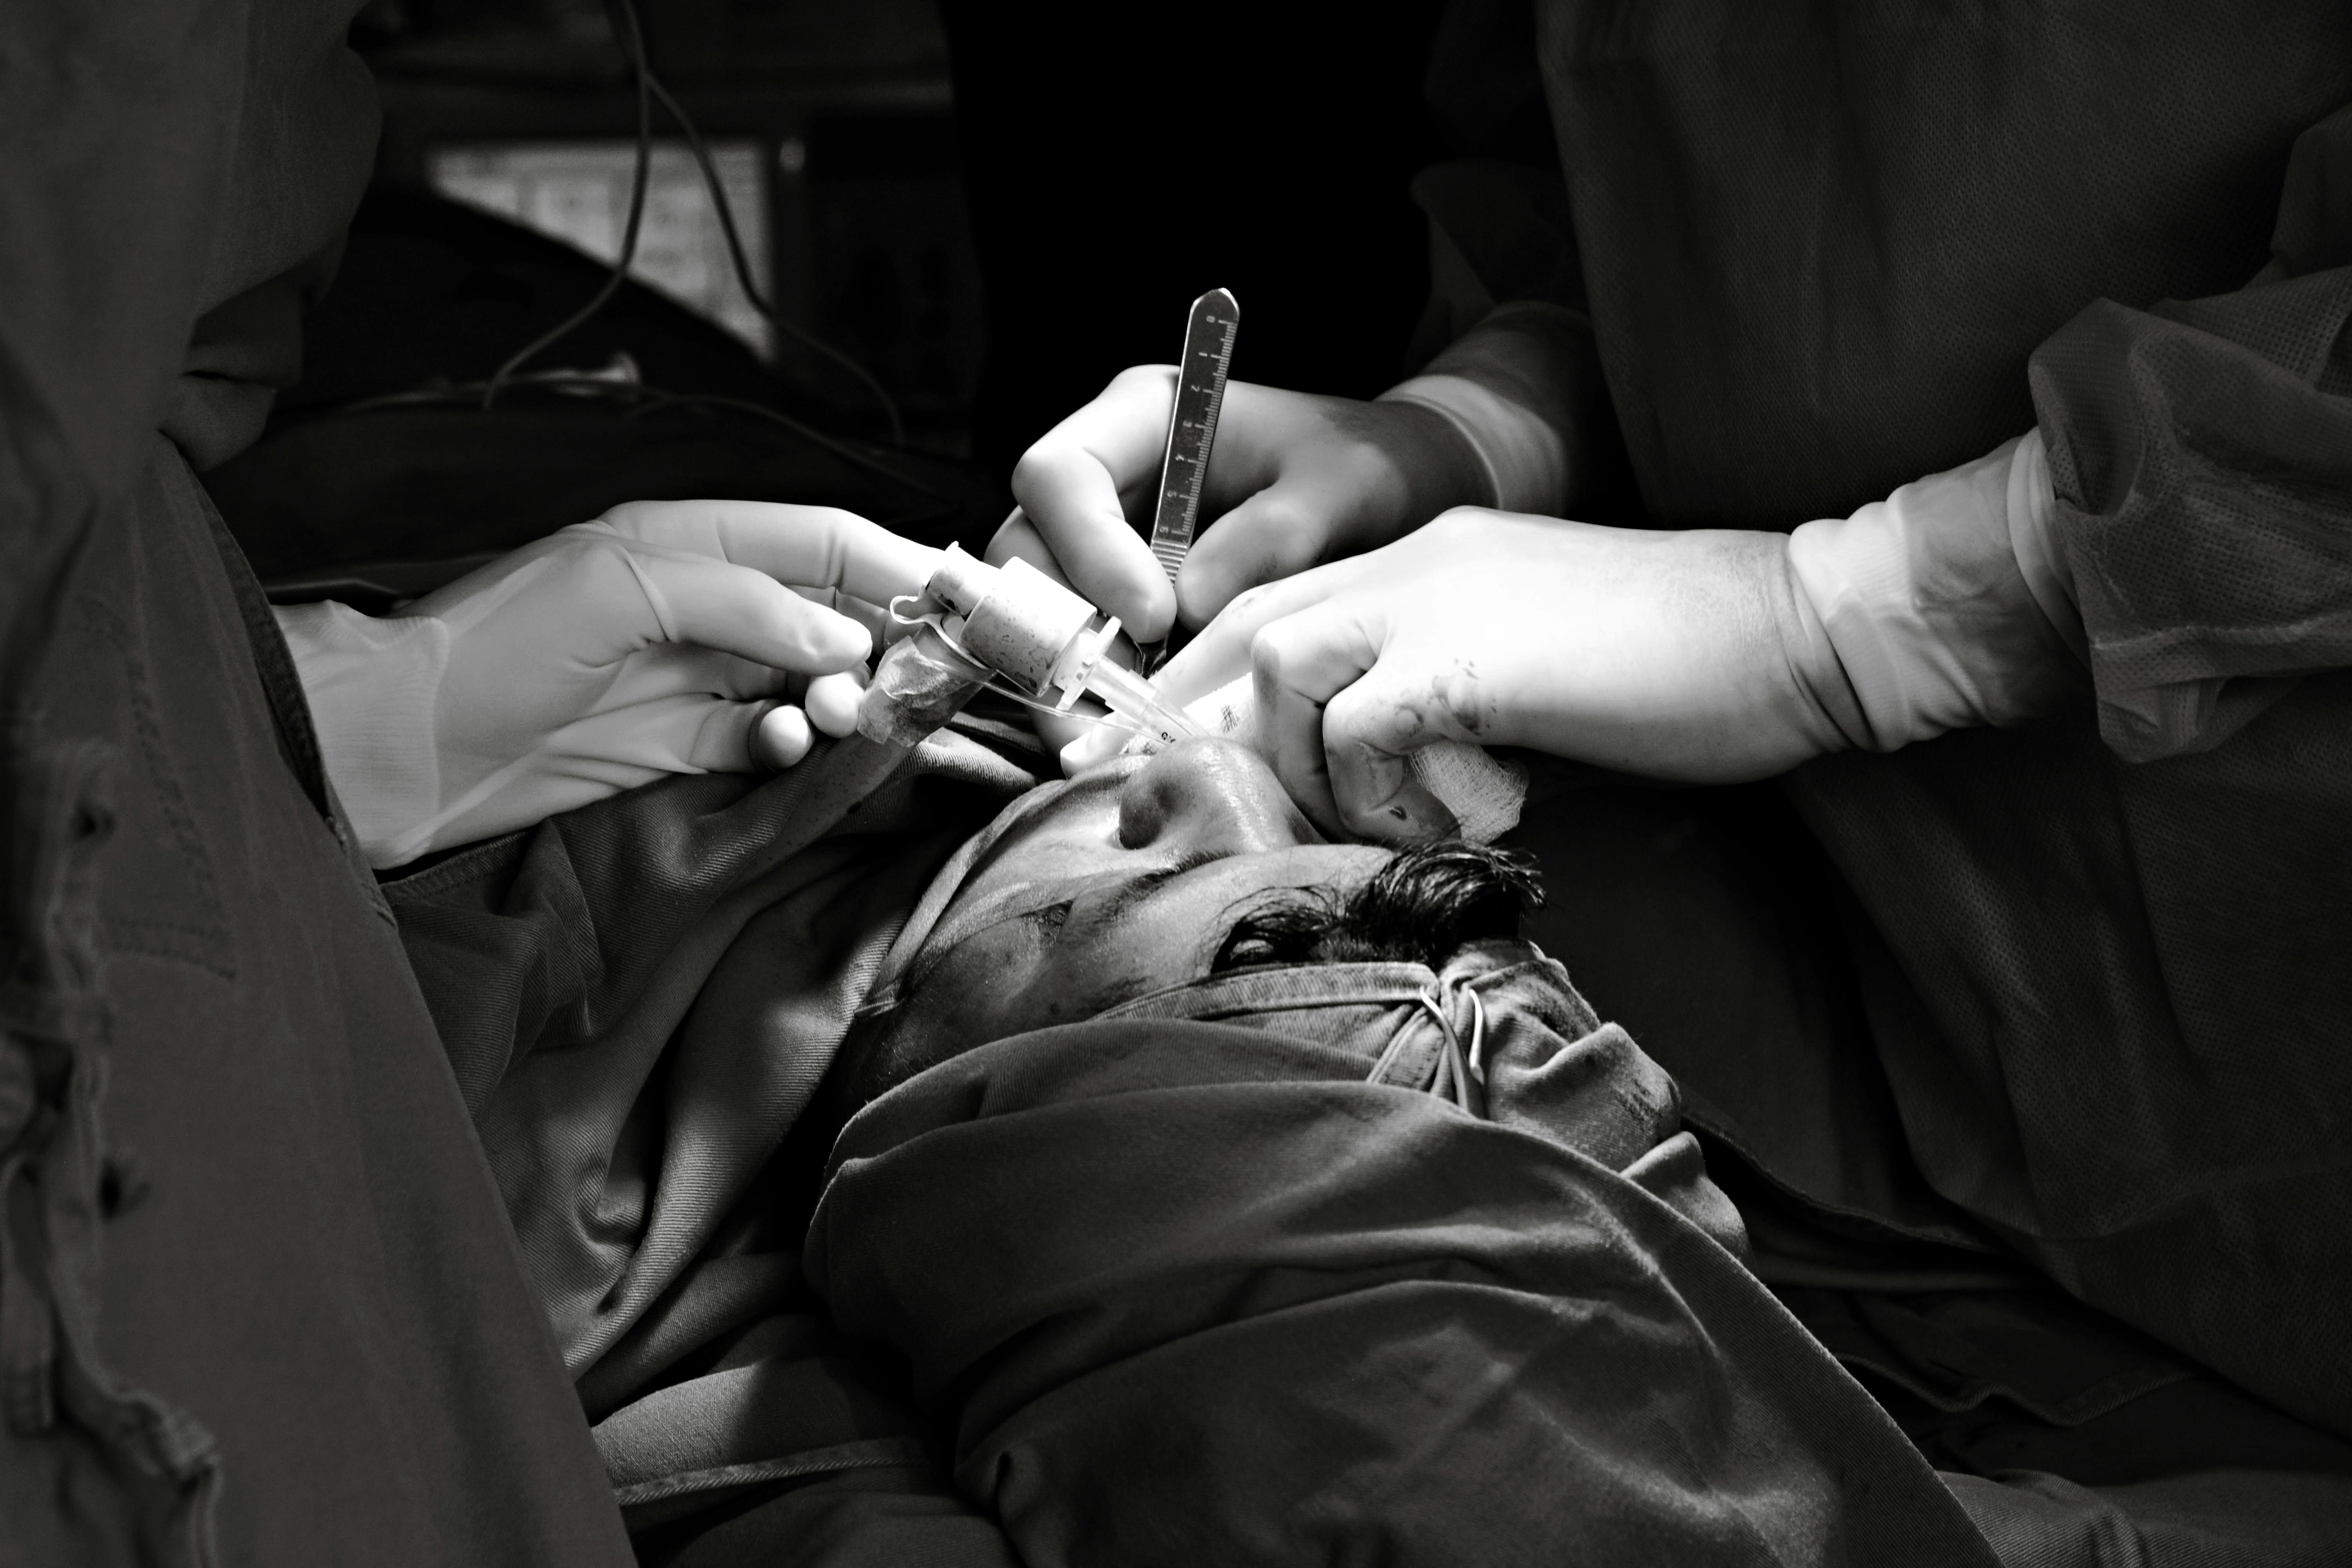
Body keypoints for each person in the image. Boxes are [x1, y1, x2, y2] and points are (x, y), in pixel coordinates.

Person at [978, 0, 2352, 1550]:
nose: (1204, 794)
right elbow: (1654, 204)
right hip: (1863, 1046)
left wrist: (1907, 600)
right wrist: (1478, 427)